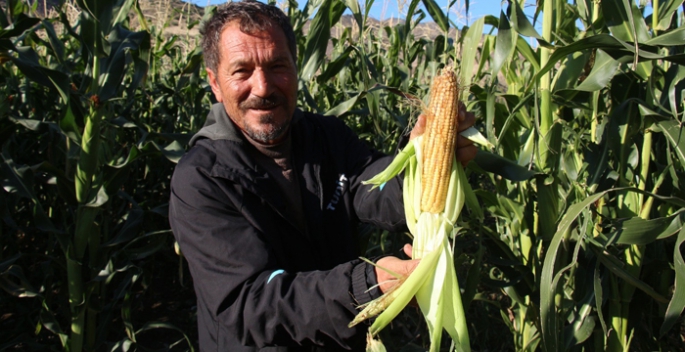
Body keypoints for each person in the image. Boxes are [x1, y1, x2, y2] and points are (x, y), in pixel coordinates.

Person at [168, 1, 477, 350]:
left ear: (296, 68)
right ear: (215, 83)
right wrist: (365, 284)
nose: (263, 86)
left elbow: (376, 188)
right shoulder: (201, 179)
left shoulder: (328, 138)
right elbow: (247, 304)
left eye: (277, 66)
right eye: (242, 71)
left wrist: (425, 162)